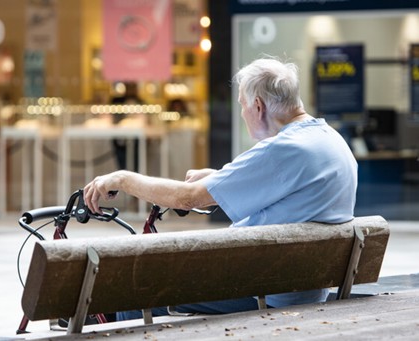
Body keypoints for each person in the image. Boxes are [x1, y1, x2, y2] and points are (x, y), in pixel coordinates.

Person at [83, 57, 358, 320]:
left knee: (138, 287)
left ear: (258, 106)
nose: (242, 113)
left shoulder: (282, 150)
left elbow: (186, 198)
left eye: (242, 105)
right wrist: (221, 178)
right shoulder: (330, 140)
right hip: (301, 285)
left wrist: (122, 179)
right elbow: (290, 191)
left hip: (265, 290)